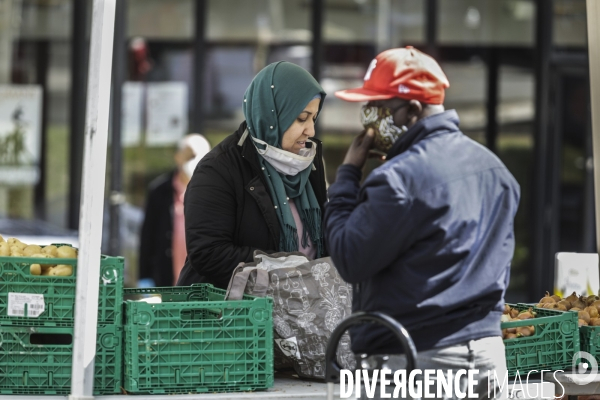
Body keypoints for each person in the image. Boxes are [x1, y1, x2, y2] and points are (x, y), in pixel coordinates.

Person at [324, 47, 520, 399]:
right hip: (489, 360)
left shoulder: (398, 179)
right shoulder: (497, 172)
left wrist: (348, 177)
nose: (369, 121)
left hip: (418, 364)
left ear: (413, 110)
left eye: (378, 109)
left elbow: (348, 256)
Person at [177, 61, 328, 288]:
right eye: (301, 118)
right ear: (273, 115)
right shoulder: (218, 169)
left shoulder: (309, 162)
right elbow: (208, 253)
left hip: (299, 312)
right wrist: (282, 266)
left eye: (313, 118)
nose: (311, 130)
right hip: (233, 317)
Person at [138, 134, 211, 287]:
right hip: (165, 281)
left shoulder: (213, 191)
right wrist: (144, 276)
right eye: (190, 155)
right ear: (178, 157)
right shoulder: (159, 191)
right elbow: (147, 236)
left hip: (202, 285)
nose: (195, 160)